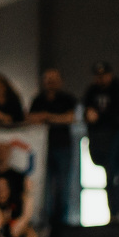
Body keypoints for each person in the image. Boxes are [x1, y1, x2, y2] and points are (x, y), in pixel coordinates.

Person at [27, 68, 78, 227]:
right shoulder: (38, 100)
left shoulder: (67, 99)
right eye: (48, 79)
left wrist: (47, 117)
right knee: (45, 185)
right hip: (43, 148)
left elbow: (69, 118)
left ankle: (62, 220)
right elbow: (30, 118)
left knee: (63, 184)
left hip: (63, 146)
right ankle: (46, 219)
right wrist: (54, 118)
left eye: (54, 79)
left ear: (60, 81)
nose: (51, 82)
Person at [83, 62, 119, 222]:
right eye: (98, 76)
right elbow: (87, 113)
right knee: (109, 176)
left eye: (103, 75)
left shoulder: (118, 89)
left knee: (118, 175)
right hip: (100, 141)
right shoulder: (92, 91)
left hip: (117, 139)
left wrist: (99, 117)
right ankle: (113, 211)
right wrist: (90, 116)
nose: (100, 79)